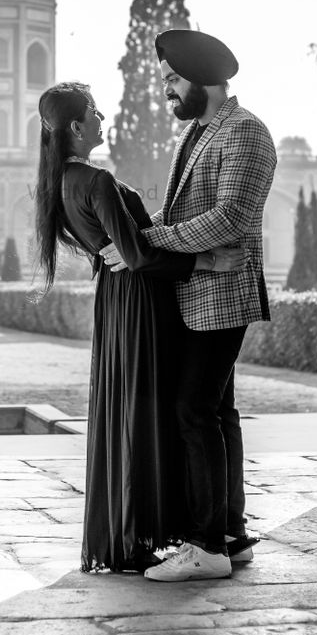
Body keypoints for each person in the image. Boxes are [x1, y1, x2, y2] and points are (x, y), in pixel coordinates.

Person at [33, 81, 246, 574]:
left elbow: (126, 248)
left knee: (133, 412)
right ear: (76, 127)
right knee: (157, 413)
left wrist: (135, 247)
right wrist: (206, 262)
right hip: (140, 303)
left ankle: (147, 532)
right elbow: (136, 256)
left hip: (119, 303)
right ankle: (177, 534)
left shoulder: (61, 182)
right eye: (95, 112)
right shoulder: (95, 179)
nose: (103, 118)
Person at [102, 30, 277, 582]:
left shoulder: (245, 133)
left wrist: (148, 245)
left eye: (172, 81)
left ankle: (205, 547)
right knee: (216, 412)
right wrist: (134, 238)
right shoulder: (201, 132)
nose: (167, 93)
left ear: (202, 77)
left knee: (192, 412)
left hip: (223, 294)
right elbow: (182, 220)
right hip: (199, 292)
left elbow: (229, 220)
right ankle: (229, 534)